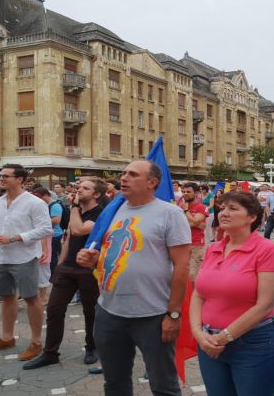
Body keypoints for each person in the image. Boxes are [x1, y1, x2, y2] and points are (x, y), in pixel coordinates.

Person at [76, 160, 191, 396]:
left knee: (164, 386)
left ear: (152, 182)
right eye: (124, 173)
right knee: (114, 383)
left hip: (152, 314)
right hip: (109, 311)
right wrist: (91, 258)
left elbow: (182, 266)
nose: (124, 178)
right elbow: (107, 251)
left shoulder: (170, 213)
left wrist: (173, 314)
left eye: (133, 174)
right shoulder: (112, 211)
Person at [190, 192, 274, 396]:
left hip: (251, 344)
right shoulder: (213, 248)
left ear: (252, 217)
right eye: (223, 208)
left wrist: (224, 337)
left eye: (233, 209)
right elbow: (198, 294)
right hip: (209, 342)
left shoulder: (267, 250)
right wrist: (198, 333)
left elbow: (264, 305)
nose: (224, 213)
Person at [23, 178, 108, 370]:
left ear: (97, 194)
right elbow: (69, 239)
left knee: (91, 312)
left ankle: (92, 347)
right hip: (67, 269)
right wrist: (60, 265)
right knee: (54, 310)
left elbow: (78, 230)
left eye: (85, 188)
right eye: (79, 187)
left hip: (89, 270)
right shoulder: (76, 212)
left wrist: (74, 207)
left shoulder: (101, 214)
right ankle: (50, 353)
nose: (79, 190)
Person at [0, 164, 53, 361]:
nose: (1, 179)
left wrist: (15, 238)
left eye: (6, 176)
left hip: (25, 257)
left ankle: (36, 341)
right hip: (1, 257)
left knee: (31, 298)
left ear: (19, 179)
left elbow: (45, 229)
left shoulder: (35, 203)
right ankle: (6, 337)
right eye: (0, 175)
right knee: (7, 297)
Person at [31, 187, 64, 276]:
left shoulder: (55, 205)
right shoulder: (45, 205)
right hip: (47, 235)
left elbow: (56, 220)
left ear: (46, 195)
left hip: (55, 235)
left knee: (52, 256)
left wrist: (38, 221)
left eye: (39, 196)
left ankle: (53, 275)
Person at [180, 182, 209, 279]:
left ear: (196, 193)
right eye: (184, 191)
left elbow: (196, 221)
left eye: (188, 192)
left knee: (194, 275)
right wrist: (197, 224)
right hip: (181, 243)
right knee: (182, 273)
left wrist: (186, 211)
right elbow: (197, 223)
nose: (185, 193)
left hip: (196, 244)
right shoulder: (179, 207)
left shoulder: (201, 207)